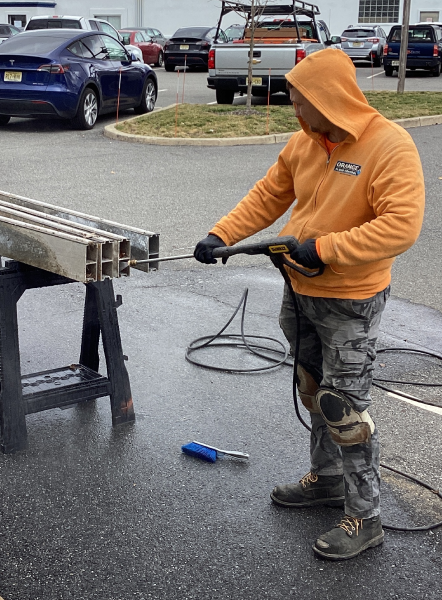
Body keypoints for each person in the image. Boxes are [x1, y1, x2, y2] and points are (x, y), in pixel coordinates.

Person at [194, 49, 425, 560]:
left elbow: (401, 226)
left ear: (329, 99)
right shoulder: (305, 142)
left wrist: (324, 249)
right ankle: (327, 478)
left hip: (351, 302)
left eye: (300, 101)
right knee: (314, 390)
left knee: (345, 410)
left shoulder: (389, 145)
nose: (294, 108)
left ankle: (365, 517)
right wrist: (221, 235)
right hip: (300, 292)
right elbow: (269, 195)